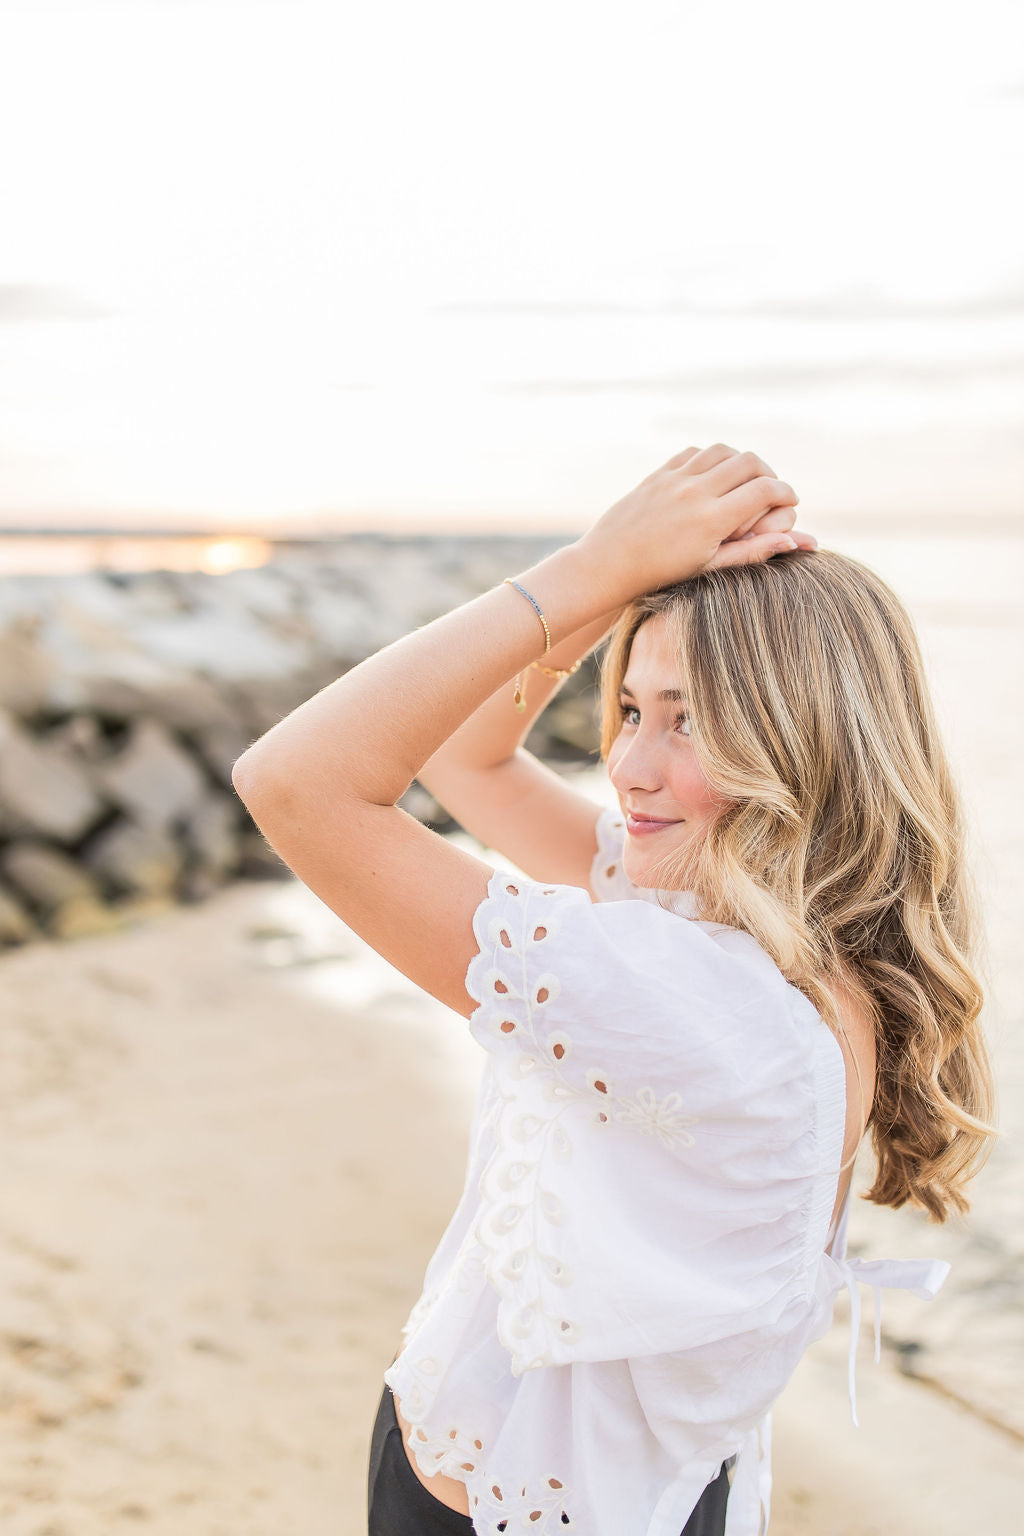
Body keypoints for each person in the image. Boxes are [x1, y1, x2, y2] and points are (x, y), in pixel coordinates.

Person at [231, 443, 1000, 1536]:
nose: (630, 765)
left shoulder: (697, 1003)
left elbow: (293, 782)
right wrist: (625, 579)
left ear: (803, 743)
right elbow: (469, 761)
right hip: (613, 1489)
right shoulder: (750, 934)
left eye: (687, 719)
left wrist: (590, 574)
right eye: (631, 711)